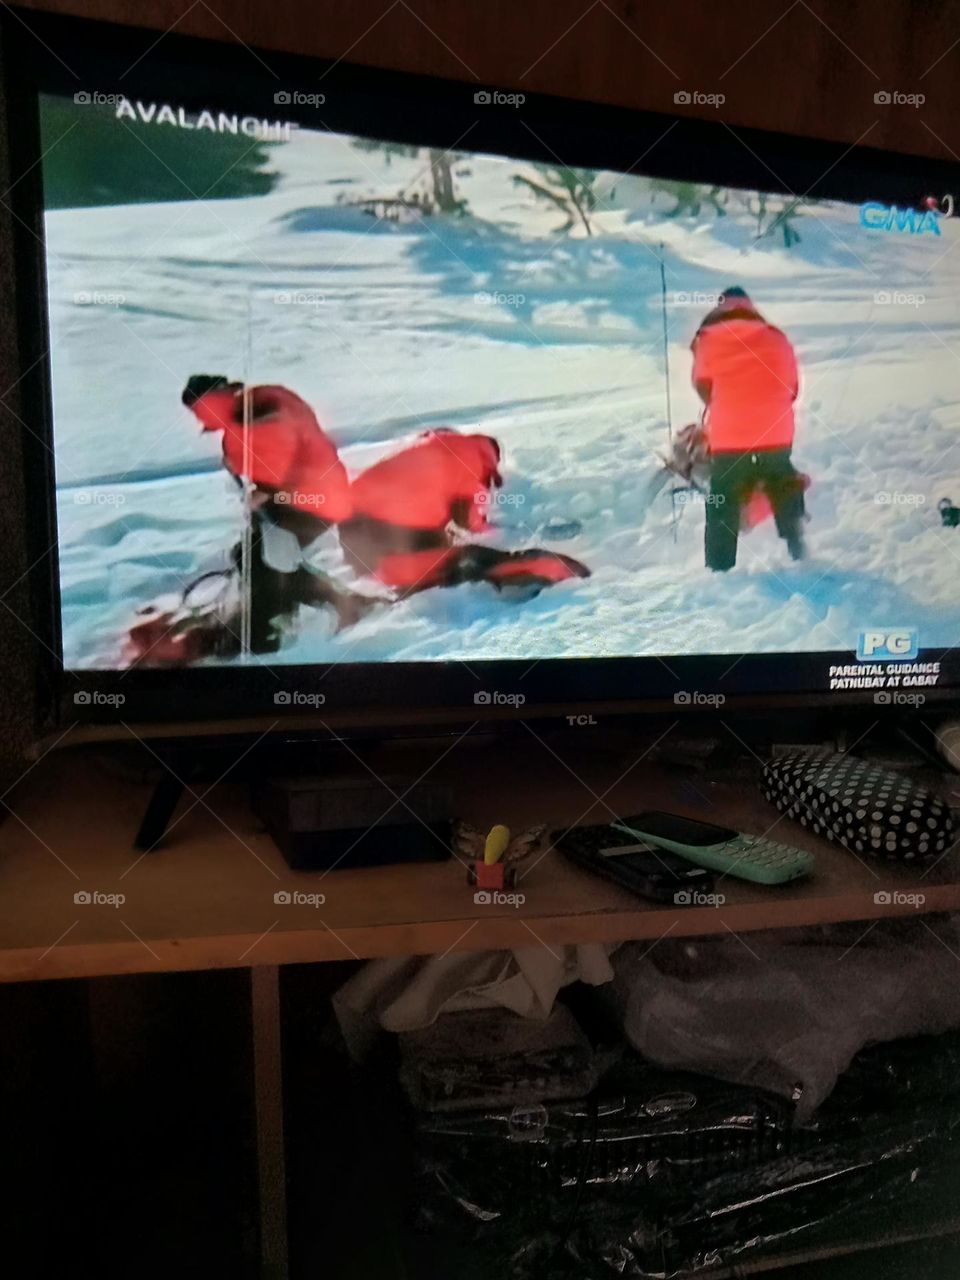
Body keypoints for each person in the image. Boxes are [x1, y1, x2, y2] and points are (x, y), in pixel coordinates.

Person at [182, 375, 371, 651]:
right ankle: (343, 600)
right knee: (252, 555)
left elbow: (275, 452)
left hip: (312, 501)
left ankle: (264, 634)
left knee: (267, 565)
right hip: (303, 496)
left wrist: (266, 490)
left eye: (198, 411)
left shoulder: (258, 414)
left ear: (208, 404)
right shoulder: (255, 404)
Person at [339, 428, 589, 596]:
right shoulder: (475, 460)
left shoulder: (431, 445)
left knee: (435, 546)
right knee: (469, 559)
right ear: (492, 458)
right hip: (387, 539)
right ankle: (558, 570)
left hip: (352, 534)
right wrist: (496, 530)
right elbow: (472, 522)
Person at [691, 287, 807, 572]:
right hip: (776, 433)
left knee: (723, 494)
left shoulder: (707, 340)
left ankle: (720, 567)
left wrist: (725, 407)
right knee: (782, 479)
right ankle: (797, 545)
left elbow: (701, 385)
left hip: (730, 437)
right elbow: (792, 388)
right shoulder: (777, 338)